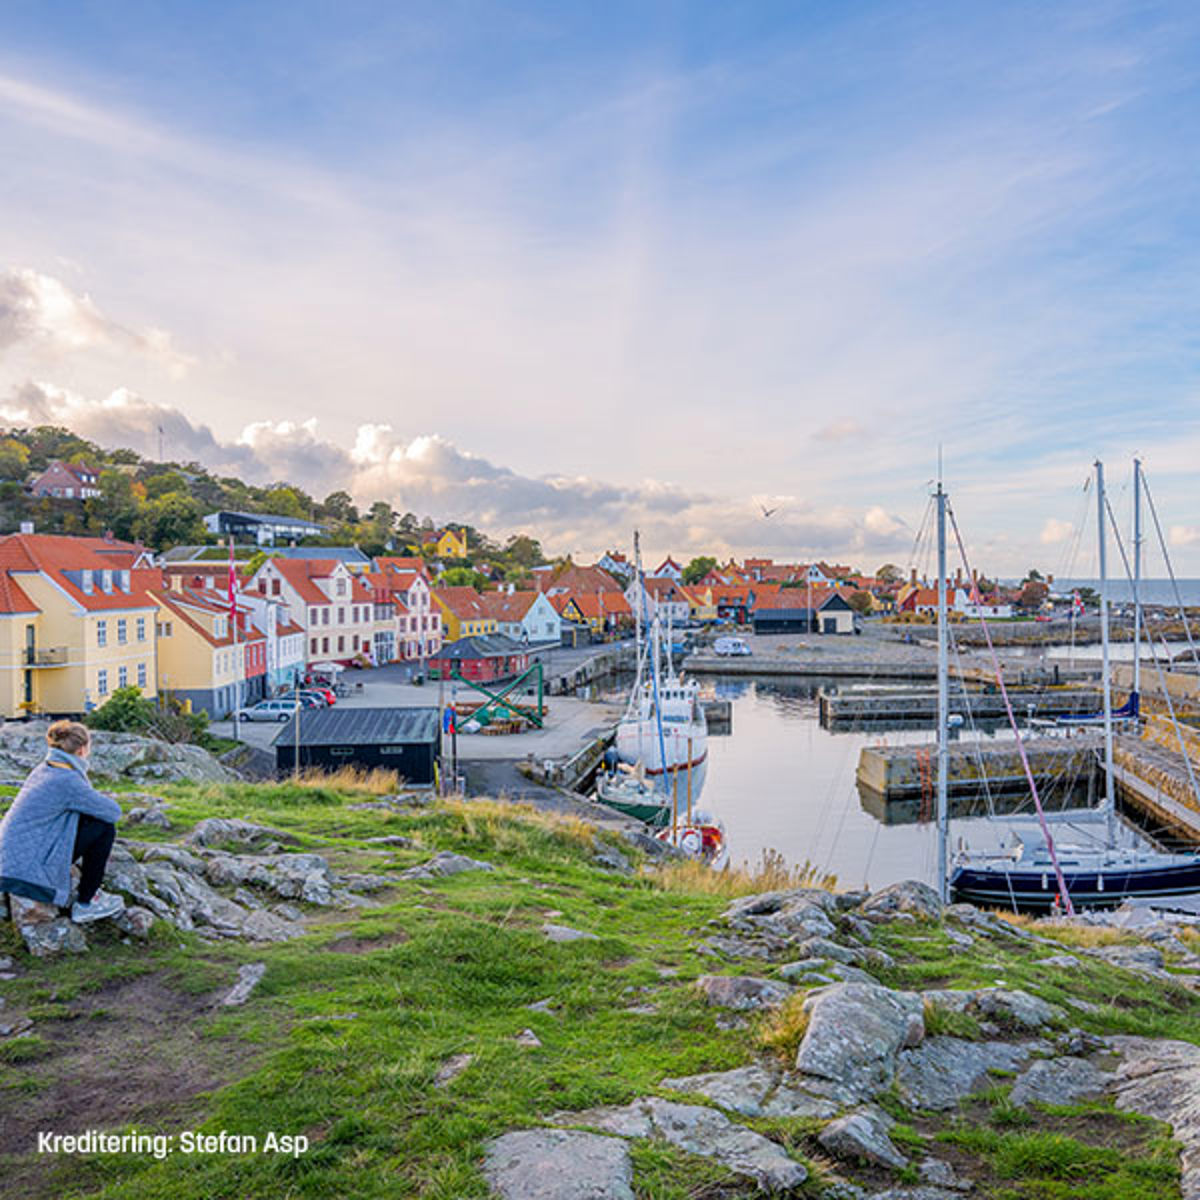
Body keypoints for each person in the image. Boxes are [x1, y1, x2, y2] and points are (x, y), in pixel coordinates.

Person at [0, 720, 125, 924]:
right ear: (82, 749)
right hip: (28, 868)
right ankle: (86, 902)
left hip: (10, 859)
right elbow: (113, 812)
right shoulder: (67, 780)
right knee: (103, 828)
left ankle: (88, 896)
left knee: (89, 817)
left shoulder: (44, 768)